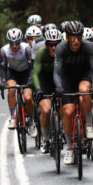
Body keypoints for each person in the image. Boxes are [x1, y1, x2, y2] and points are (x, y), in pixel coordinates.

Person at [53, 21, 93, 165]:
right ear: (67, 37)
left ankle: (88, 126)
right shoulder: (60, 48)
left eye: (79, 37)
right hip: (67, 79)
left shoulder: (88, 46)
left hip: (84, 76)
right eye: (72, 37)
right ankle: (69, 148)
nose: (76, 41)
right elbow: (57, 72)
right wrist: (59, 87)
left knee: (84, 91)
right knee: (68, 112)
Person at [0, 28, 35, 136]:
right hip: (13, 73)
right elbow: (3, 68)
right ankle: (13, 117)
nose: (14, 46)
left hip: (26, 73)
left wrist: (30, 81)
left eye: (17, 43)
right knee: (11, 90)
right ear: (8, 42)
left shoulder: (27, 48)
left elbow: (32, 67)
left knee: (28, 98)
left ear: (21, 41)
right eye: (11, 43)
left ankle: (31, 122)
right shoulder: (4, 50)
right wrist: (3, 82)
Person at [32, 25, 63, 154]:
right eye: (50, 44)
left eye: (56, 44)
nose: (54, 48)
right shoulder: (41, 53)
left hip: (60, 80)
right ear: (46, 44)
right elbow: (35, 74)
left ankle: (61, 127)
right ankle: (45, 139)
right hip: (44, 80)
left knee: (65, 106)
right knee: (46, 109)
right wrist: (38, 89)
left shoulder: (64, 52)